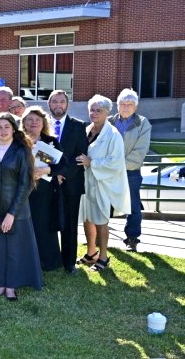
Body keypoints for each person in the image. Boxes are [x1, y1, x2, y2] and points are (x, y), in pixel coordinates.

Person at [0, 113, 42, 300]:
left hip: (17, 211)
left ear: (14, 129)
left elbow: (26, 184)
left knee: (14, 249)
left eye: (7, 126)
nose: (3, 130)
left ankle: (11, 286)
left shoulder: (22, 151)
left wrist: (11, 214)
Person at [77, 95, 131, 272]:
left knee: (101, 221)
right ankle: (91, 252)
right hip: (86, 182)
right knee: (87, 217)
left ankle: (103, 256)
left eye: (98, 110)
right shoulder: (87, 130)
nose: (93, 113)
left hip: (103, 184)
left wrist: (91, 163)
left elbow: (115, 162)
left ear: (107, 112)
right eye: (91, 109)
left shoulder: (113, 135)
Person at [21, 106, 66, 271]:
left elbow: (63, 165)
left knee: (43, 225)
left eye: (37, 120)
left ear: (43, 123)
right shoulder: (17, 140)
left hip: (45, 191)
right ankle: (26, 260)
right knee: (26, 225)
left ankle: (48, 262)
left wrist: (47, 170)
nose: (33, 123)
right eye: (30, 120)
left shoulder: (51, 141)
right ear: (24, 122)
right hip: (23, 190)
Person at [47, 90, 88, 273]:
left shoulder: (78, 126)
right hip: (48, 182)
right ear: (49, 104)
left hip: (71, 183)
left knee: (70, 224)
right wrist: (54, 174)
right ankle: (50, 259)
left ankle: (69, 263)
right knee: (47, 221)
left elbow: (81, 155)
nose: (58, 105)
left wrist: (63, 173)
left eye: (61, 101)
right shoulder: (43, 124)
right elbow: (39, 151)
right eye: (54, 101)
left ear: (67, 104)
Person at [109, 88, 152, 252]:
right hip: (108, 171)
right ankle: (99, 236)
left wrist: (115, 165)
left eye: (130, 104)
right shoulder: (109, 121)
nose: (126, 107)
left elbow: (140, 152)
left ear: (136, 107)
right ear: (117, 105)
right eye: (122, 104)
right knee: (103, 204)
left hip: (130, 172)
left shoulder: (143, 123)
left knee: (132, 206)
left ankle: (132, 238)